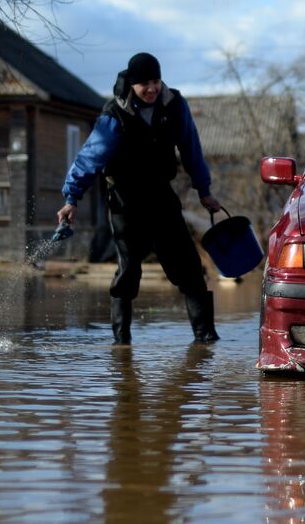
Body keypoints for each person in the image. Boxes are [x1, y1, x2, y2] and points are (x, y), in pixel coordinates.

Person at [58, 52, 223, 345]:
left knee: (187, 265)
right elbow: (89, 158)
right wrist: (72, 198)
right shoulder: (115, 114)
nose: (152, 89)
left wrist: (205, 190)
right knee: (129, 269)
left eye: (156, 81)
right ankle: (122, 344)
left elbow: (191, 148)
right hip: (125, 199)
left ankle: (206, 338)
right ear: (132, 84)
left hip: (161, 194)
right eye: (144, 83)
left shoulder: (174, 106)